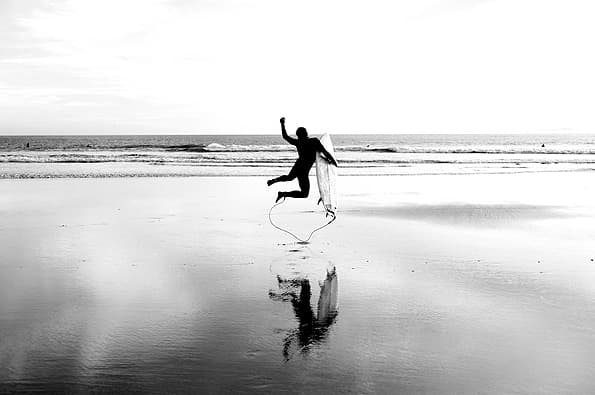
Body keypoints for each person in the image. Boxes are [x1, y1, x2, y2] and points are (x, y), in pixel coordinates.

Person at [267, 117, 338, 202]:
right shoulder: (314, 141)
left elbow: (285, 136)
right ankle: (282, 193)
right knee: (304, 193)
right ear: (306, 133)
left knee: (290, 178)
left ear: (298, 135)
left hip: (299, 165)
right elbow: (325, 152)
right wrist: (333, 161)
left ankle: (277, 184)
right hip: (303, 172)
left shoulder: (298, 142)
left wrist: (282, 124)